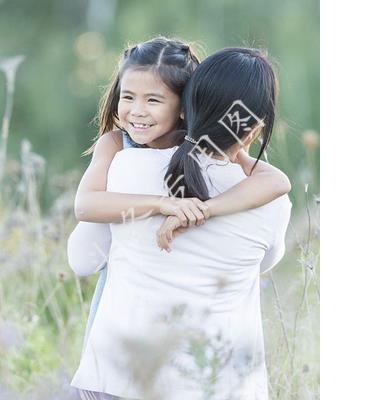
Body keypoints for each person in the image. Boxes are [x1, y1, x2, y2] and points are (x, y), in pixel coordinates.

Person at [67, 37, 290, 399]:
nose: (138, 111)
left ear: (186, 106)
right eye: (129, 97)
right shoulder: (266, 198)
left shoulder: (123, 168)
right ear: (254, 129)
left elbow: (82, 257)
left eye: (153, 100)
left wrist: (195, 209)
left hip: (117, 375)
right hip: (217, 385)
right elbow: (275, 208)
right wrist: (164, 204)